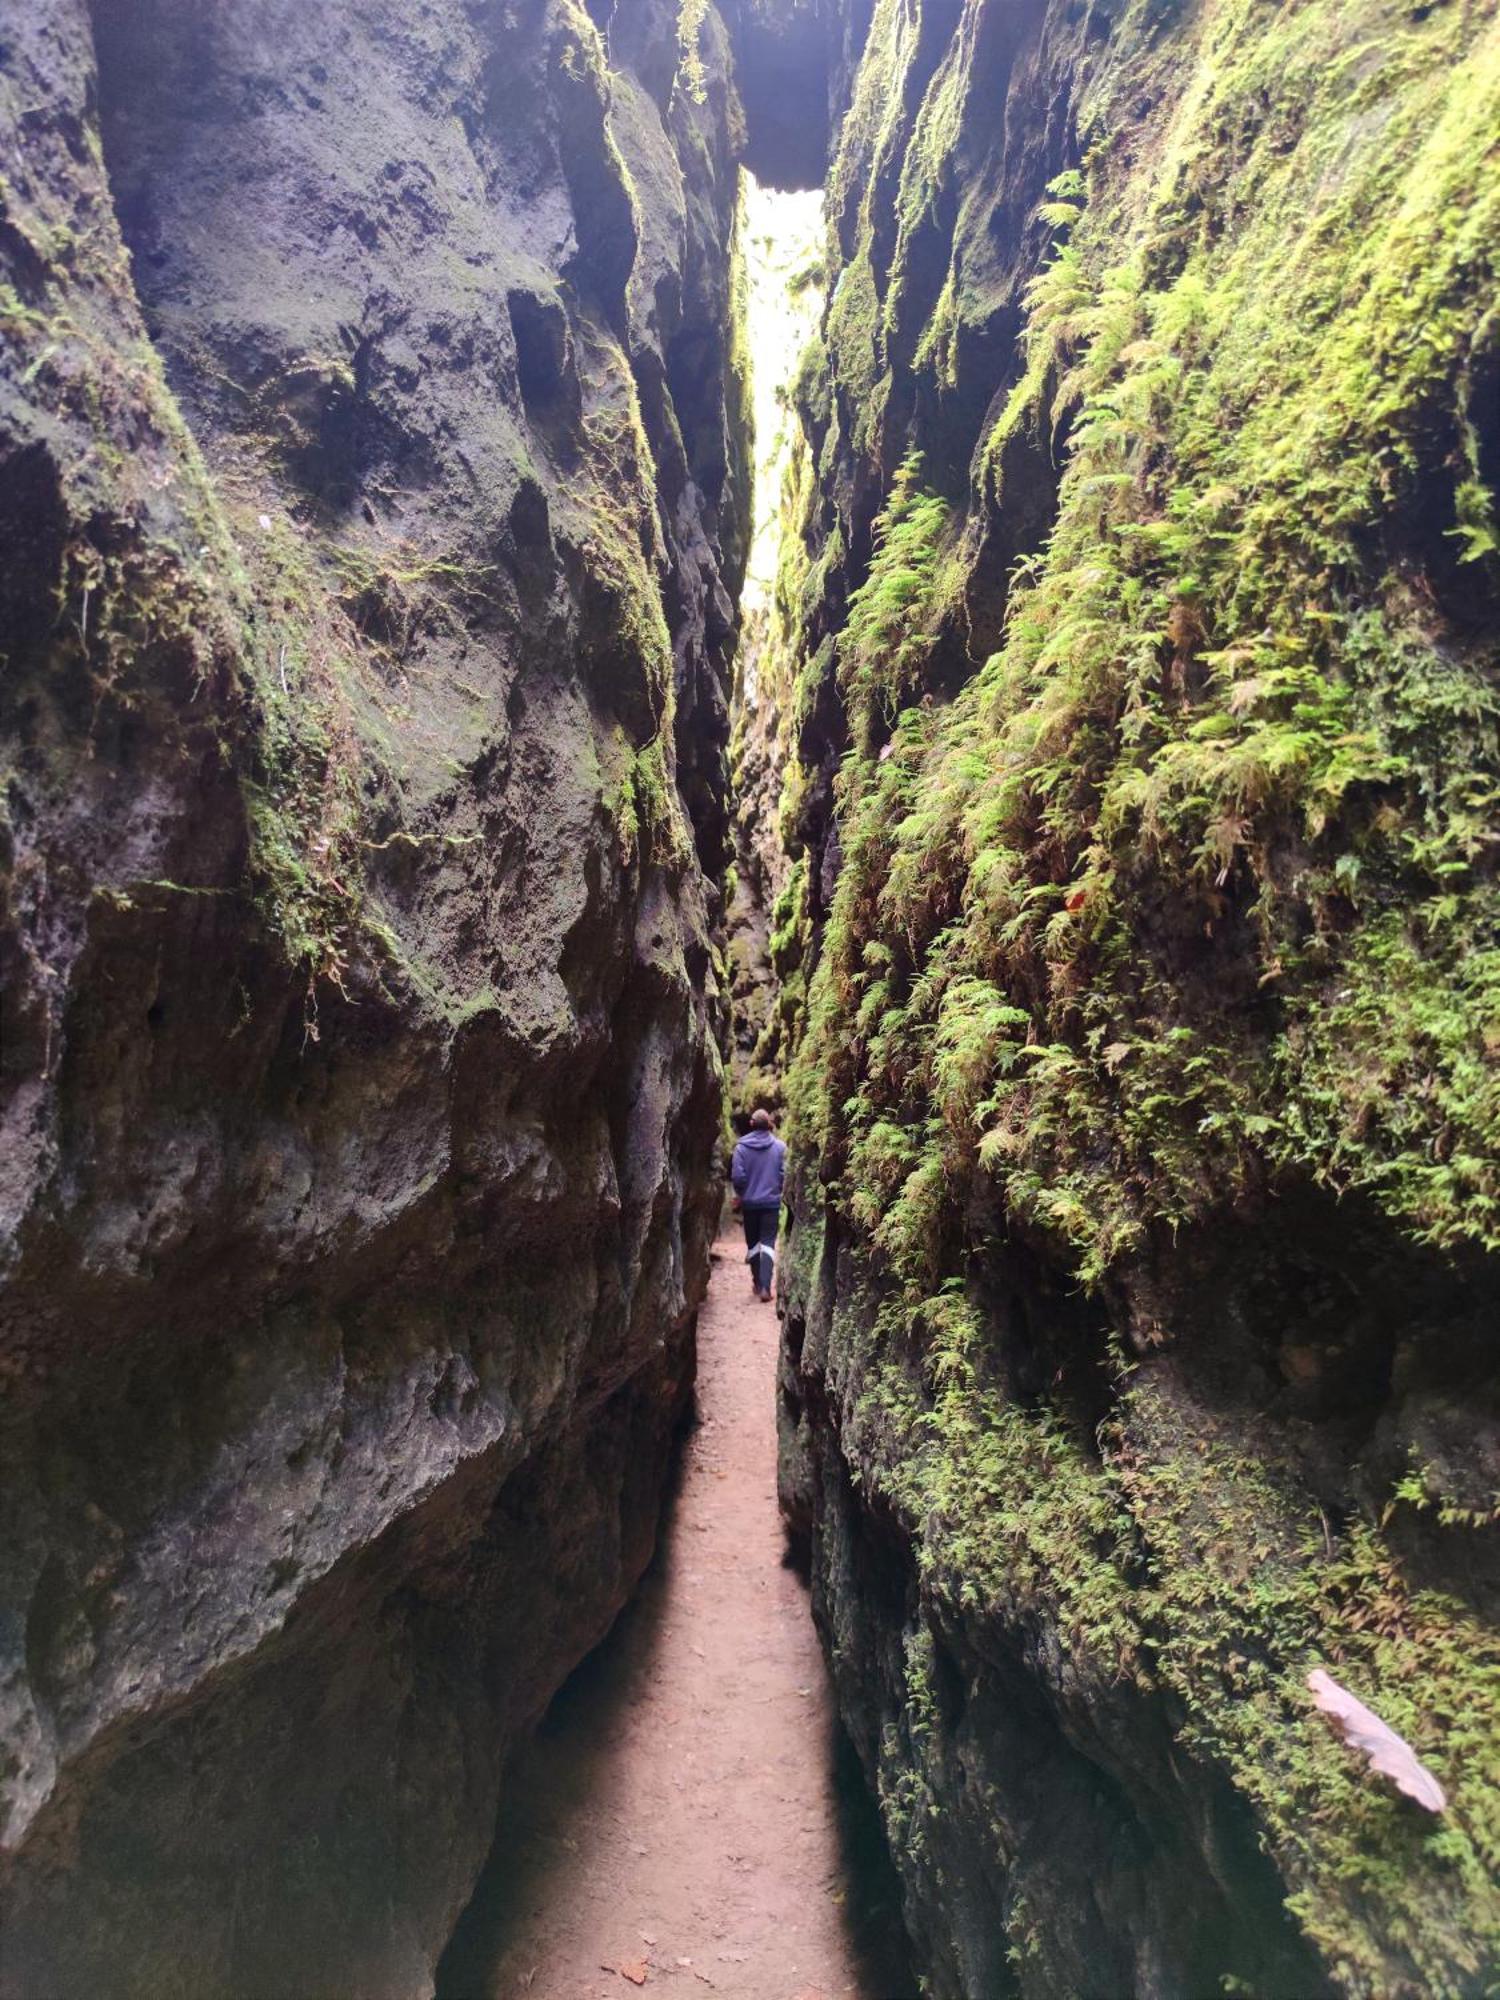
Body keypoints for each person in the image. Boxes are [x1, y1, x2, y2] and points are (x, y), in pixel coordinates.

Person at [730, 1108, 786, 1304]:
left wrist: (741, 1193)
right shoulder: (780, 1147)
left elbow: (738, 1177)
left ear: (751, 1124)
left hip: (750, 1204)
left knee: (753, 1244)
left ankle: (756, 1282)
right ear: (768, 1124)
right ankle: (765, 1287)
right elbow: (783, 1174)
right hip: (771, 1203)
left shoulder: (741, 1148)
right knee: (768, 1245)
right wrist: (776, 1189)